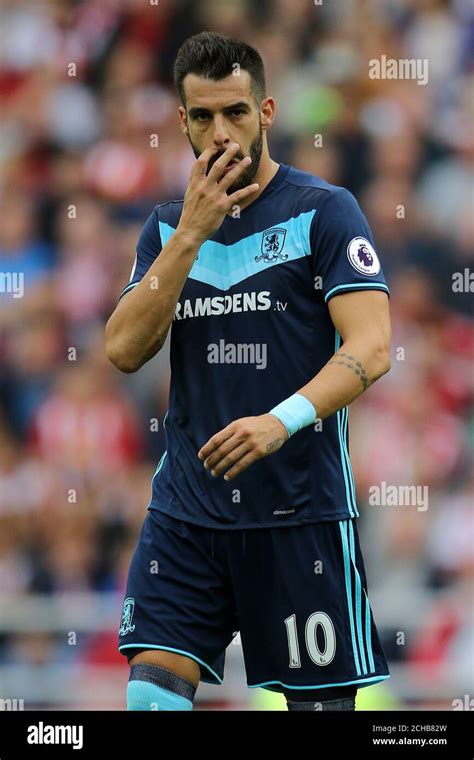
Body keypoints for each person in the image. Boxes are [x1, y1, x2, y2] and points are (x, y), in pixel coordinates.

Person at [105, 31, 392, 712]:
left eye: (235, 112)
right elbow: (122, 349)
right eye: (202, 117)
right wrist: (191, 235)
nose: (220, 133)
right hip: (188, 511)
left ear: (265, 112)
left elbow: (372, 347)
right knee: (150, 700)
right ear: (181, 123)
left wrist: (279, 422)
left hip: (301, 513)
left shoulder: (323, 210)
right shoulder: (168, 227)